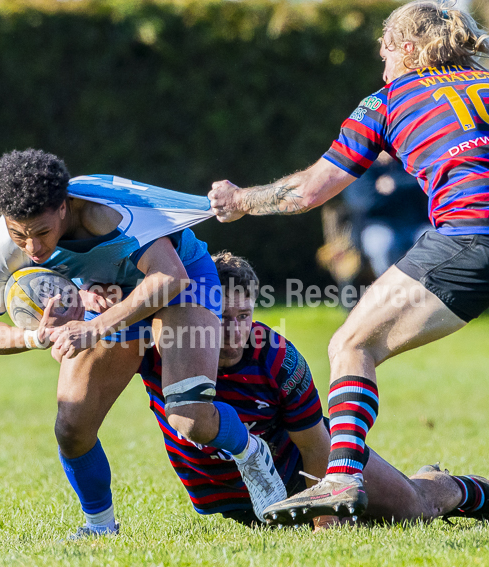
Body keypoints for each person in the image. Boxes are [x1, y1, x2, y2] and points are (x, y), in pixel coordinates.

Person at [208, 0, 489, 525]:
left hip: (470, 236)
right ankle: (463, 493)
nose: (382, 65)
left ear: (407, 49)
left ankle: (339, 478)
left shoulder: (389, 100)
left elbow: (310, 191)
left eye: (385, 52)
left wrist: (243, 200)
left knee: (351, 344)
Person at [0, 149, 286, 536]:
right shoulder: (3, 243)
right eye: (20, 234)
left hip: (181, 278)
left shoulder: (110, 212)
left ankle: (251, 453)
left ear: (64, 207)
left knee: (189, 416)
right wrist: (36, 335)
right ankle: (100, 527)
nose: (31, 248)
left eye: (42, 233)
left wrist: (93, 328)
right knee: (72, 426)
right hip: (113, 296)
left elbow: (169, 277)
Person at [139, 252, 488, 527]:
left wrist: (327, 520)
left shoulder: (276, 357)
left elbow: (315, 443)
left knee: (416, 509)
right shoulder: (166, 348)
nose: (234, 330)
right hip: (232, 497)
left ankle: (460, 488)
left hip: (302, 473)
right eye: (222, 317)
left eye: (243, 316)